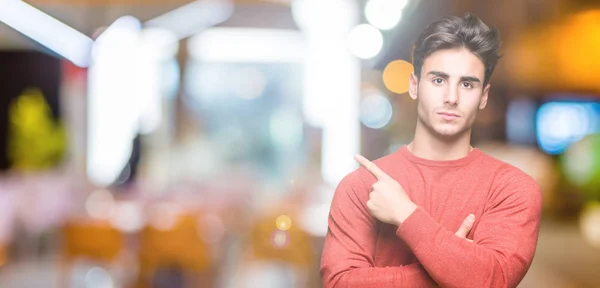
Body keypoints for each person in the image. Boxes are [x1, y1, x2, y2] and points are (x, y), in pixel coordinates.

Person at [320, 13, 542, 288]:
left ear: (483, 96)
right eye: (438, 80)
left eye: (467, 84)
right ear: (414, 86)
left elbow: (493, 279)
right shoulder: (363, 186)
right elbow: (340, 284)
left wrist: (405, 213)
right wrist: (451, 271)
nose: (451, 97)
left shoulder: (512, 189)